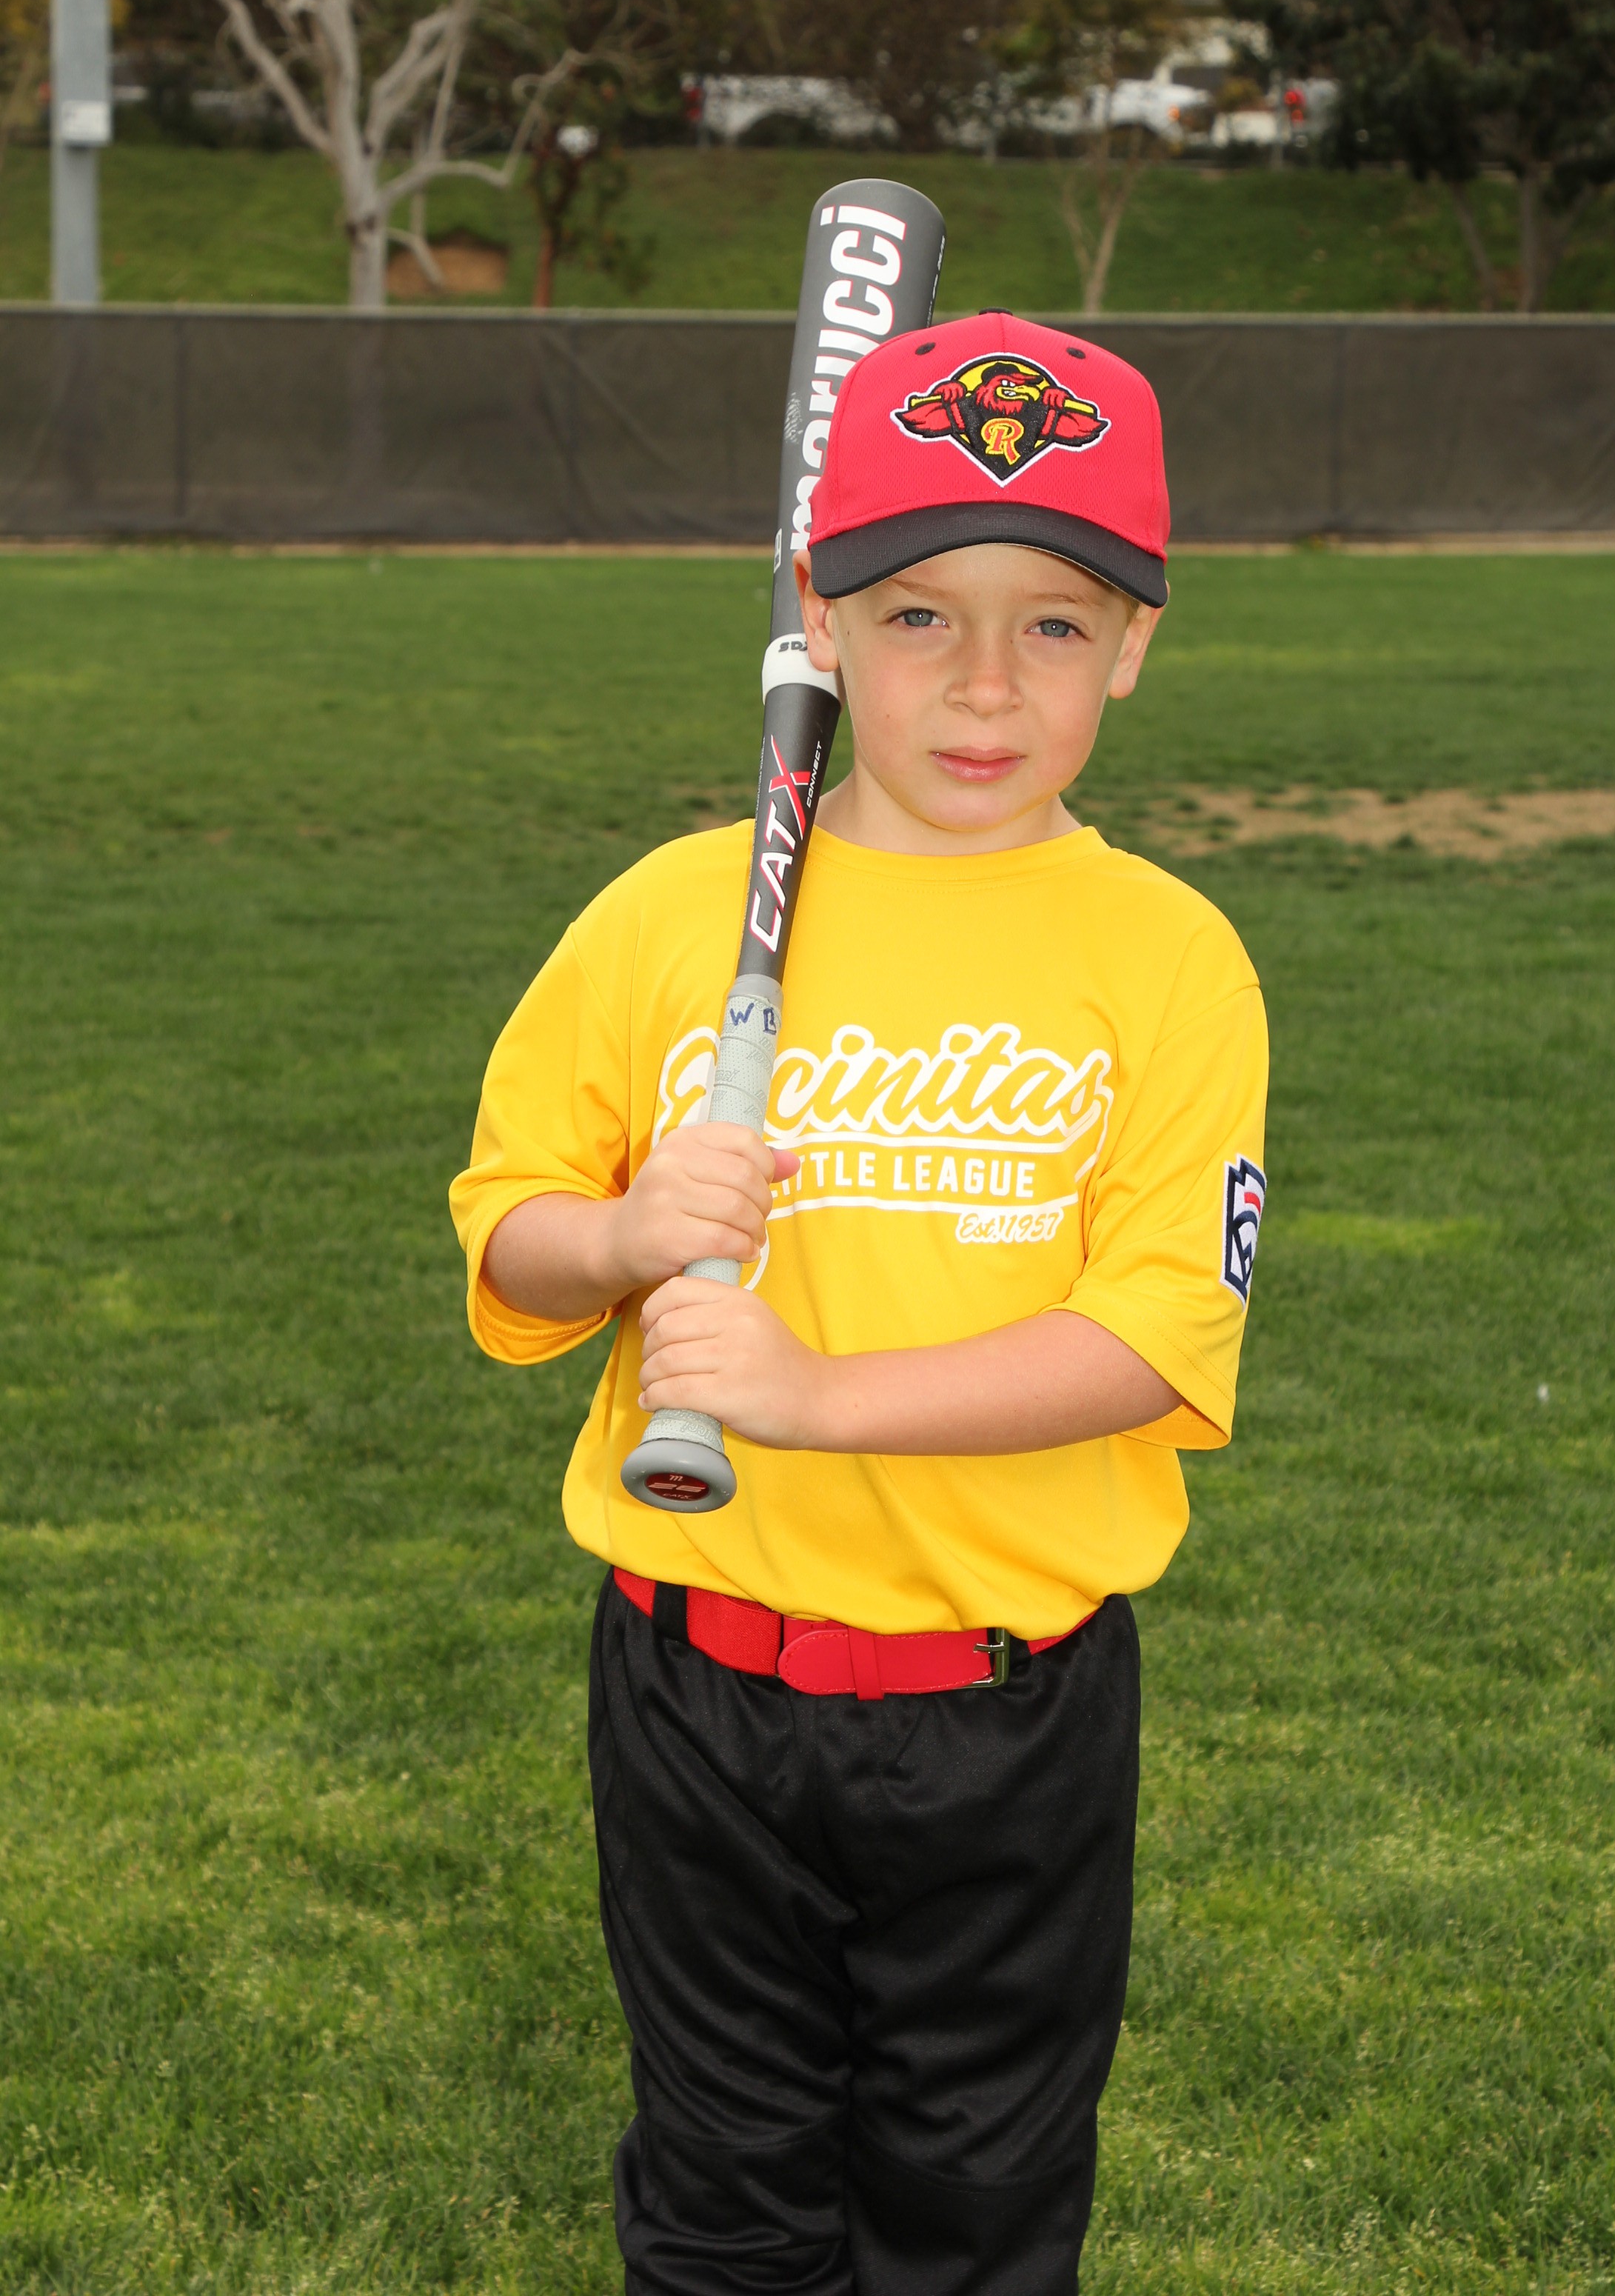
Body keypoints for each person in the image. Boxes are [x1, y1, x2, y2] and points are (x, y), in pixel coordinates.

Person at [449, 310, 1269, 2296]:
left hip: (1008, 1702)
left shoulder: (1170, 958)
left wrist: (815, 1394)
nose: (986, 682)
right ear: (815, 619)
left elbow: (1148, 1342)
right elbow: (507, 1237)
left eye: (1055, 622)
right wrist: (621, 1239)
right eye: (917, 617)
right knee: (721, 2191)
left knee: (975, 2202)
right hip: (696, 1682)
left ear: (1135, 645)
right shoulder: (668, 914)